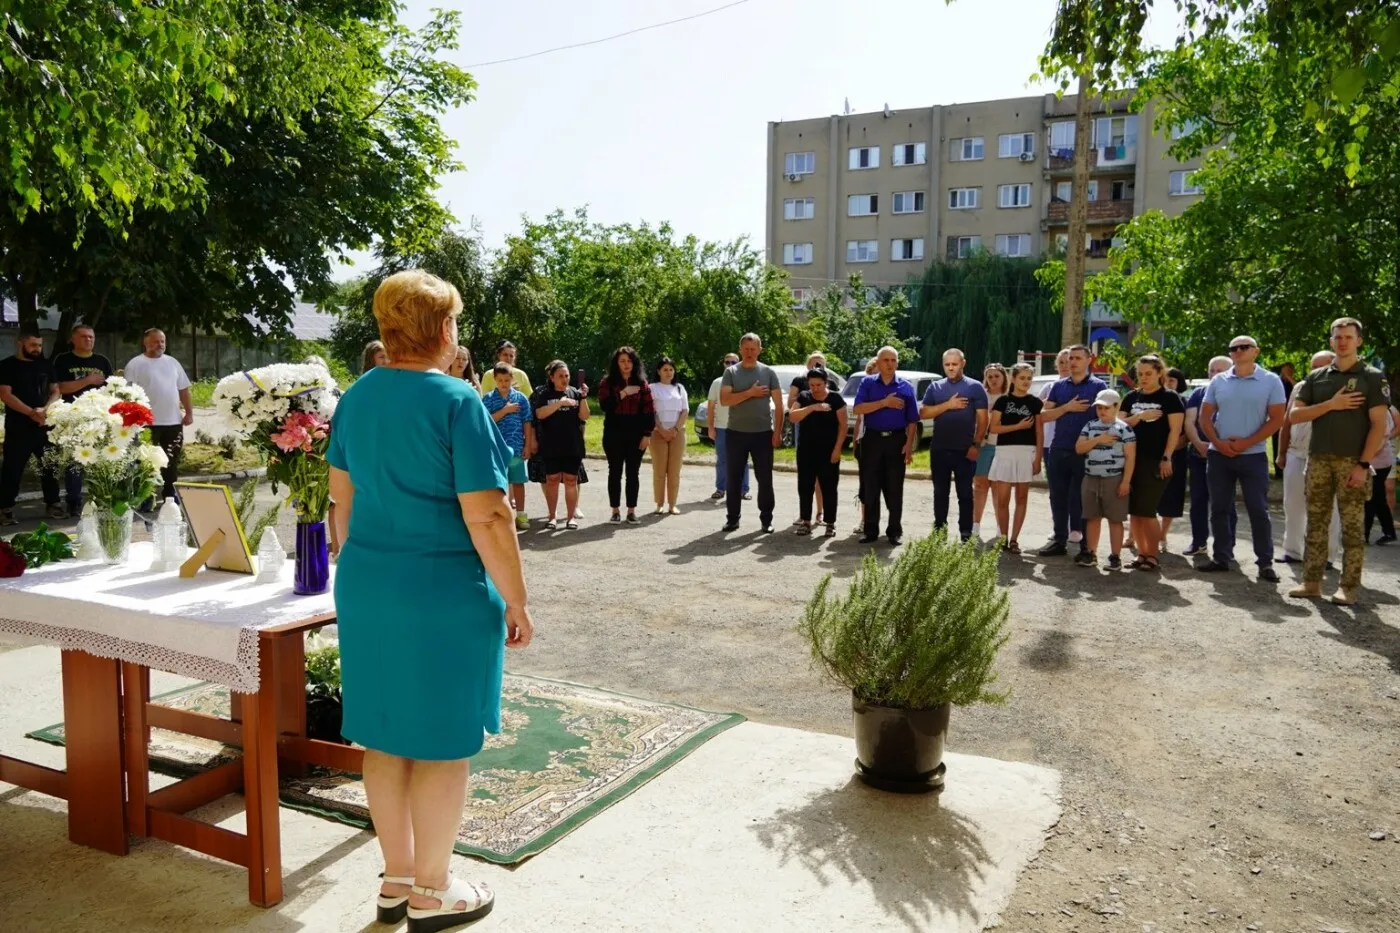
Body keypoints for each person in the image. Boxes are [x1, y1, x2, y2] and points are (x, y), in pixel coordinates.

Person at [326, 269, 532, 930]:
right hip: (441, 591)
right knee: (442, 742)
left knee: (384, 734)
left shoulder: (356, 396)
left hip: (368, 584)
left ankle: (397, 877)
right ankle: (434, 889)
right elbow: (489, 515)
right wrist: (516, 599)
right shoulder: (457, 400)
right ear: (444, 329)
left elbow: (339, 502)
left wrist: (367, 565)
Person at [1287, 317, 1392, 604]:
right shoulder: (1317, 376)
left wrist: (1363, 465)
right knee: (1316, 524)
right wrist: (1331, 405)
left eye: (1348, 337)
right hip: (1318, 459)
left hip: (1352, 462)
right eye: (1338, 337)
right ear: (1331, 341)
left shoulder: (1372, 377)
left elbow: (1378, 426)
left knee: (1352, 528)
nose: (1342, 341)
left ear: (1359, 341)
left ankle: (1348, 587)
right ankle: (1311, 583)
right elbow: (1295, 415)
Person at [1197, 335, 1286, 581]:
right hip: (1219, 455)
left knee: (1258, 510)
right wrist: (1218, 443)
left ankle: (1265, 563)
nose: (1238, 351)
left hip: (1253, 456)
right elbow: (1205, 417)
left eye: (1244, 347)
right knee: (1219, 508)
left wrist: (1247, 443)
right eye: (1233, 348)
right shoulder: (1219, 381)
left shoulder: (1271, 380)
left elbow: (1277, 419)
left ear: (1256, 351)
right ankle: (1221, 557)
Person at [1039, 345, 1108, 557]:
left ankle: (1087, 546)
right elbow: (1043, 415)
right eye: (1070, 358)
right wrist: (1066, 408)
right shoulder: (1058, 386)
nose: (1073, 362)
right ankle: (1059, 540)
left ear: (1089, 360)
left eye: (1078, 358)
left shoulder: (1099, 386)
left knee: (1083, 498)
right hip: (1059, 448)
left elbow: (1105, 418)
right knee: (1057, 496)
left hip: (1086, 451)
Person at [1118, 355, 1184, 571]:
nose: (1144, 378)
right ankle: (1141, 554)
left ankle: (1152, 555)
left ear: (1159, 373)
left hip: (1155, 461)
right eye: (1140, 374)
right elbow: (1118, 425)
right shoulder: (1131, 397)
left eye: (1148, 373)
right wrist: (1140, 416)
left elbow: (1175, 431)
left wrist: (1167, 457)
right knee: (1135, 512)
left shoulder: (1170, 397)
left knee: (1147, 511)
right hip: (1130, 461)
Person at [1277, 351, 1341, 565]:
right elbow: (1287, 421)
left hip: (1329, 455)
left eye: (1321, 366)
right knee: (1293, 504)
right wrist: (1281, 453)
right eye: (1313, 367)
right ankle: (1292, 551)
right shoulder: (1300, 387)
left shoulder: (1343, 388)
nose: (1316, 371)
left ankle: (1327, 556)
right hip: (1297, 452)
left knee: (1329, 508)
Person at [919, 349, 989, 542]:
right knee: (940, 492)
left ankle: (966, 532)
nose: (950, 368)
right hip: (939, 449)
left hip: (965, 450)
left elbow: (983, 419)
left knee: (965, 493)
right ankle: (940, 530)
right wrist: (948, 405)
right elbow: (923, 413)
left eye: (954, 364)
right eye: (947, 364)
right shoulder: (935, 387)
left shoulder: (975, 387)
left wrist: (976, 444)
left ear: (963, 364)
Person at [853, 346, 919, 545]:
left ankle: (894, 531)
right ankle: (870, 531)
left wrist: (909, 445)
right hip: (872, 439)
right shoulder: (868, 383)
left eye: (893, 360)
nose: (890, 364)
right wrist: (884, 402)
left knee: (894, 487)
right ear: (879, 362)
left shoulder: (906, 387)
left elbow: (913, 420)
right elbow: (858, 408)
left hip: (896, 440)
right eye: (886, 360)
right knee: (871, 486)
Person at [719, 333, 783, 533]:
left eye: (753, 349)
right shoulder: (731, 372)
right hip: (736, 433)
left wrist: (777, 432)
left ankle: (766, 519)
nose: (749, 352)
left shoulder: (768, 372)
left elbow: (779, 405)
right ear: (740, 350)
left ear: (759, 350)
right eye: (746, 349)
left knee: (765, 479)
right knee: (733, 478)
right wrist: (750, 393)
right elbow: (725, 400)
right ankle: (732, 519)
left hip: (762, 433)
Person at [124, 328, 193, 505]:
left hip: (173, 422)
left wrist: (189, 413)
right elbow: (127, 394)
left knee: (171, 461)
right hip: (146, 424)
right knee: (146, 462)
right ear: (145, 343)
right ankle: (145, 498)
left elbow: (184, 390)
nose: (160, 345)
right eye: (156, 341)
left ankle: (170, 496)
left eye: (162, 341)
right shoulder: (135, 364)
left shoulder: (173, 363)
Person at [0, 331, 62, 524]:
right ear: (20, 344)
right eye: (33, 345)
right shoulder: (6, 366)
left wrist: (45, 410)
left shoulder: (46, 365)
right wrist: (31, 412)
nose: (37, 349)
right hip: (18, 427)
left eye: (40, 345)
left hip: (44, 426)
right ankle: (5, 509)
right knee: (12, 469)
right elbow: (5, 395)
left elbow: (56, 391)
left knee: (49, 467)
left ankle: (53, 504)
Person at [52, 322, 114, 515]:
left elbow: (111, 389)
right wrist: (87, 380)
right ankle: (74, 502)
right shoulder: (63, 360)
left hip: (99, 418)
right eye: (83, 336)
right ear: (73, 339)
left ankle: (101, 499)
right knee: (74, 462)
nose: (88, 340)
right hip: (73, 418)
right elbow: (60, 388)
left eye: (91, 337)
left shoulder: (102, 361)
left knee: (101, 461)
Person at [1074, 389, 1136, 569]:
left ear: (1116, 407)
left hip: (1114, 478)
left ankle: (1115, 557)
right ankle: (1091, 554)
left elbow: (1130, 457)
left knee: (1115, 519)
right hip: (1091, 477)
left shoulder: (1124, 429)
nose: (1102, 411)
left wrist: (1126, 482)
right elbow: (1079, 448)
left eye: (1106, 408)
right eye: (1099, 407)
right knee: (1092, 517)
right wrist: (1099, 439)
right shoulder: (1090, 425)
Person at [988, 362, 1043, 553]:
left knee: (1021, 498)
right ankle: (1003, 538)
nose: (1026, 382)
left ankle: (1014, 540)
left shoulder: (1035, 403)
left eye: (1029, 378)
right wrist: (1018, 426)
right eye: (1022, 378)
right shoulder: (1002, 401)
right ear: (1013, 378)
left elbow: (1039, 432)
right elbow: (994, 428)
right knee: (1002, 499)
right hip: (1005, 452)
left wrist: (1038, 458)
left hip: (1027, 453)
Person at [595, 347, 653, 525]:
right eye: (622, 361)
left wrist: (647, 434)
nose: (626, 364)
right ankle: (615, 511)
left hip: (636, 433)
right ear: (616, 363)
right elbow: (605, 406)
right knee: (615, 471)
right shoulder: (607, 382)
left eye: (629, 361)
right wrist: (624, 393)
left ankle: (631, 511)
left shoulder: (642, 383)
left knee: (633, 473)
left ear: (634, 363)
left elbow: (649, 410)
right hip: (614, 432)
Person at [1182, 356, 1233, 556]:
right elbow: (1190, 421)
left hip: (1225, 455)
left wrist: (1218, 445)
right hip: (1199, 456)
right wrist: (1198, 443)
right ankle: (1198, 542)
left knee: (1225, 504)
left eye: (1220, 370)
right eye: (1212, 370)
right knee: (1198, 501)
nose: (1215, 374)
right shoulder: (1199, 393)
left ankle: (1227, 546)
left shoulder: (1236, 394)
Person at [789, 367, 847, 537]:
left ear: (826, 383)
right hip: (806, 450)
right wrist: (812, 407)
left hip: (829, 450)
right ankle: (806, 521)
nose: (815, 388)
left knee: (829, 487)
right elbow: (792, 416)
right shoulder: (804, 397)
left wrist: (837, 449)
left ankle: (830, 523)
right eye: (812, 385)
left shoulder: (835, 398)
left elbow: (843, 426)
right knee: (805, 486)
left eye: (819, 385)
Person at [532, 361, 589, 530]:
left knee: (571, 480)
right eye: (560, 376)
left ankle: (571, 518)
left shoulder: (575, 393)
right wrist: (559, 403)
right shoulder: (545, 394)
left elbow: (584, 416)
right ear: (552, 378)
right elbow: (539, 414)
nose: (564, 379)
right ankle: (552, 517)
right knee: (552, 480)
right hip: (551, 445)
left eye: (567, 375)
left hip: (573, 445)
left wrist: (583, 397)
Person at [481, 362, 535, 531]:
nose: (504, 383)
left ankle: (521, 514)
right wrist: (505, 410)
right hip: (496, 449)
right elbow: (486, 421)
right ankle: (501, 516)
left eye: (507, 380)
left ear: (512, 379)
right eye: (500, 380)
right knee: (499, 483)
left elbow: (527, 422)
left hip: (516, 447)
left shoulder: (521, 398)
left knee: (518, 481)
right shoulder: (488, 399)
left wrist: (528, 444)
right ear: (495, 380)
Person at [787, 351, 830, 525]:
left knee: (822, 477)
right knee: (806, 476)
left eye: (821, 364)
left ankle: (820, 512)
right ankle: (804, 514)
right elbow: (790, 406)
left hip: (824, 432)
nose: (817, 367)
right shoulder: (800, 382)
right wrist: (808, 399)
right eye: (814, 364)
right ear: (807, 365)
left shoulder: (830, 384)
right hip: (805, 430)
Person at [706, 353, 750, 502]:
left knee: (742, 461)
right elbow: (711, 406)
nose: (730, 365)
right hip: (721, 428)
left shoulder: (745, 382)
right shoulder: (717, 382)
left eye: (734, 362)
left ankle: (743, 490)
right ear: (723, 364)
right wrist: (710, 427)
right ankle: (721, 489)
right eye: (727, 362)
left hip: (741, 428)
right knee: (722, 460)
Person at [1039, 349, 1072, 545]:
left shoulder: (1081, 386)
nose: (1065, 365)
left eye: (1068, 361)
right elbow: (1038, 411)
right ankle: (1058, 526)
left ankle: (1075, 527)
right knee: (1055, 488)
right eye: (1061, 362)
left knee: (1074, 488)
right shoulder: (1049, 386)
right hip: (1049, 443)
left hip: (1073, 443)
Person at [971, 363, 1007, 539]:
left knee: (998, 489)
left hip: (1003, 447)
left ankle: (1000, 528)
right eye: (990, 376)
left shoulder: (1009, 397)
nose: (993, 380)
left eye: (996, 376)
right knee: (980, 486)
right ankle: (975, 526)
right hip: (984, 445)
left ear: (1004, 377)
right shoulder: (981, 396)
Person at [1155, 367, 1191, 545]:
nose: (1168, 383)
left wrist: (1170, 448)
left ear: (1179, 383)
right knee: (1144, 497)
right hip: (1152, 454)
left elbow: (1186, 431)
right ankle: (1133, 536)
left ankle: (1162, 534)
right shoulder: (1153, 399)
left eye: (1172, 380)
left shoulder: (1184, 402)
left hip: (1176, 455)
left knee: (1171, 495)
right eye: (1165, 379)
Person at [648, 357, 688, 515]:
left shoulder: (679, 388)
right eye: (665, 369)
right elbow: (650, 411)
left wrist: (675, 430)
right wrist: (661, 430)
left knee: (674, 471)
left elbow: (685, 411)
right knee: (659, 469)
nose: (668, 372)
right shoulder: (652, 388)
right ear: (659, 371)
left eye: (671, 369)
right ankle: (659, 503)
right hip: (658, 433)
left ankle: (672, 504)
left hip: (677, 433)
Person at [849, 358, 879, 534]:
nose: (875, 377)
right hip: (865, 442)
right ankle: (864, 520)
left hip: (884, 442)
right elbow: (859, 419)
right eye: (872, 374)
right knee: (865, 484)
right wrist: (855, 441)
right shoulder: (864, 393)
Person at [1363, 405, 1398, 544]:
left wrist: (1364, 459)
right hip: (1377, 461)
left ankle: (1364, 534)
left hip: (1378, 463)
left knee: (1371, 498)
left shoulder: (1381, 411)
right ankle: (1389, 532)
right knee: (1377, 498)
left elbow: (1381, 439)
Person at [1273, 361, 1297, 477]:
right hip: (1278, 417)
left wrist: (1289, 377)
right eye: (1285, 369)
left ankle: (1288, 468)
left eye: (1289, 369)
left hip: (1291, 417)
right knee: (1276, 442)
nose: (1287, 371)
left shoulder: (1296, 383)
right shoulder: (1277, 382)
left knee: (1289, 442)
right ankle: (1278, 471)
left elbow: (1298, 389)